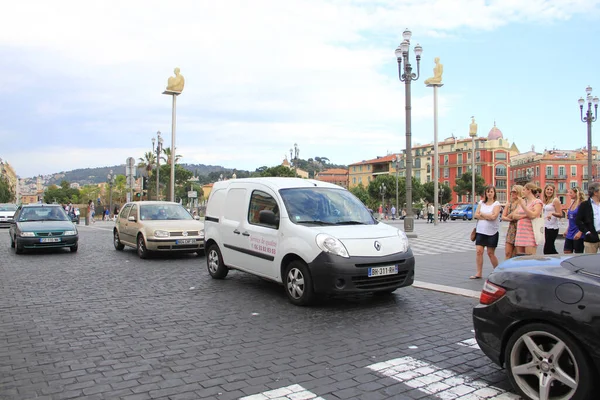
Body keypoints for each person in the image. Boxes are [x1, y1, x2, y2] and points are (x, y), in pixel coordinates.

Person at [471, 185, 501, 279]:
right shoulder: (481, 203)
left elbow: (494, 217)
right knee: (479, 251)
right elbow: (476, 215)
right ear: (485, 193)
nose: (489, 193)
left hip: (492, 231)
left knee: (490, 253)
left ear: (494, 193)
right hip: (481, 231)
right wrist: (487, 216)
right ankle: (479, 273)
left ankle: (498, 271)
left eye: (491, 192)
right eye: (488, 192)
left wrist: (482, 214)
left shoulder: (496, 204)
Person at [511, 183, 543, 256]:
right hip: (520, 234)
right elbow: (514, 216)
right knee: (519, 258)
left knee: (529, 258)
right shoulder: (524, 201)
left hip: (530, 234)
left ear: (529, 190)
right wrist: (525, 215)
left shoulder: (537, 202)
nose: (522, 191)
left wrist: (523, 206)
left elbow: (533, 215)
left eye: (524, 189)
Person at [575, 182, 600, 253]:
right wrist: (587, 232)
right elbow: (578, 220)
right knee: (590, 261)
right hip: (590, 238)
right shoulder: (584, 205)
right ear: (595, 192)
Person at [501, 185, 523, 259]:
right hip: (511, 228)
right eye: (511, 192)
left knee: (517, 254)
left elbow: (513, 215)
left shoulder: (522, 203)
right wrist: (510, 219)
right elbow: (503, 217)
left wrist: (511, 216)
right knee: (507, 253)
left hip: (520, 228)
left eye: (514, 192)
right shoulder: (509, 204)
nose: (512, 194)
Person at [542, 184, 563, 254]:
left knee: (548, 247)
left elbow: (560, 214)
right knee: (549, 247)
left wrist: (552, 214)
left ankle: (557, 259)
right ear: (545, 190)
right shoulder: (545, 201)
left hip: (553, 227)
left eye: (551, 190)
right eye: (547, 189)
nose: (549, 191)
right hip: (546, 226)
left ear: (553, 191)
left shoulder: (555, 200)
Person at [564, 187, 585, 254]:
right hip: (570, 231)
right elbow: (571, 219)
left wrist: (580, 232)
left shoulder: (582, 204)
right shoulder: (572, 203)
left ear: (576, 194)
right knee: (566, 251)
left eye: (571, 193)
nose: (569, 194)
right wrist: (567, 230)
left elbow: (585, 220)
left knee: (578, 253)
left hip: (578, 232)